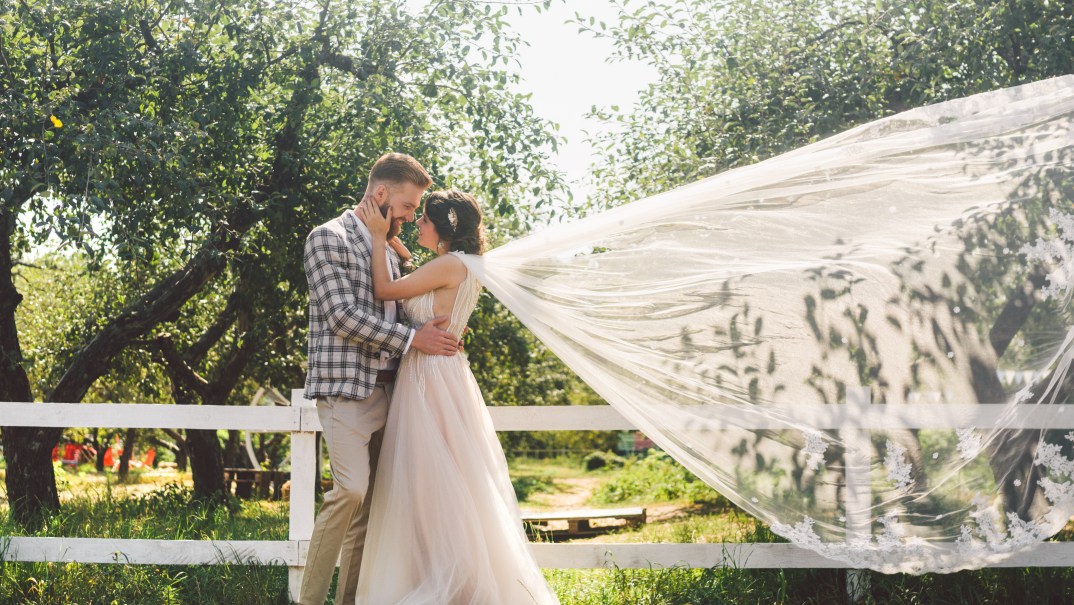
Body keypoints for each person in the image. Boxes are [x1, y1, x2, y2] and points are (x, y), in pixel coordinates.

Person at [354, 190, 559, 604]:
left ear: (444, 227)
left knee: (430, 483)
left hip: (429, 377)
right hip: (445, 375)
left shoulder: (447, 264)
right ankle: (449, 573)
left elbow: (384, 288)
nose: (417, 224)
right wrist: (399, 249)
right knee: (449, 479)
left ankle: (447, 580)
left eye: (424, 219)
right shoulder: (464, 264)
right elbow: (425, 288)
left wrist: (378, 238)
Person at [300, 152, 462, 605]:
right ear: (381, 195)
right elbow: (343, 317)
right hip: (346, 390)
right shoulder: (325, 238)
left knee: (370, 509)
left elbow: (401, 306)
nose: (413, 218)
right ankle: (308, 600)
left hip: (394, 390)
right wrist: (415, 340)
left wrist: (436, 332)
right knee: (350, 489)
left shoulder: (387, 246)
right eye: (409, 207)